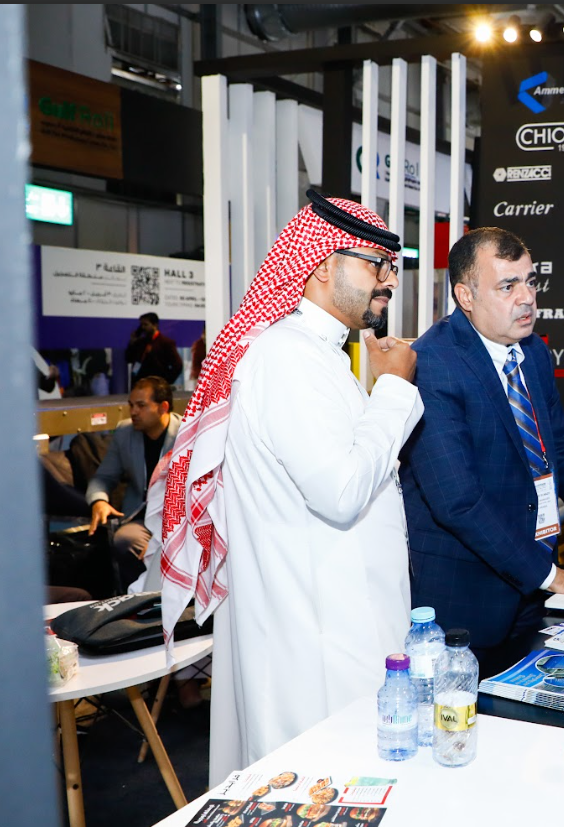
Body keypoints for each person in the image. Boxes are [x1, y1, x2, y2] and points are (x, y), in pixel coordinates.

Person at [149, 189, 422, 784]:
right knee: (317, 792)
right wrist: (396, 391)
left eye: (391, 267)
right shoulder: (284, 359)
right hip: (314, 640)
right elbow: (343, 492)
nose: (388, 282)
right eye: (375, 263)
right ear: (322, 264)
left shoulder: (318, 355)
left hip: (336, 619)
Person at [401, 227, 564, 669]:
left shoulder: (532, 352)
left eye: (530, 281)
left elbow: (562, 447)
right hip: (467, 599)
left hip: (531, 584)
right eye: (508, 286)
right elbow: (458, 502)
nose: (526, 297)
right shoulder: (434, 363)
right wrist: (548, 575)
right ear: (465, 296)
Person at [85, 376, 181, 583]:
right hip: (140, 517)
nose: (134, 412)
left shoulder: (186, 435)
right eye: (131, 405)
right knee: (125, 540)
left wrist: (160, 539)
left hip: (176, 521)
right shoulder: (125, 432)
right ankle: (136, 605)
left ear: (163, 407)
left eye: (141, 405)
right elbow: (103, 477)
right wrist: (99, 500)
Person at [126, 312, 183, 384]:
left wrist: (166, 381)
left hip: (157, 384)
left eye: (146, 324)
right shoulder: (140, 342)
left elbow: (178, 365)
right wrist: (132, 342)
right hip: (140, 382)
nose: (143, 327)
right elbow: (128, 358)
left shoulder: (165, 342)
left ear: (155, 325)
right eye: (141, 325)